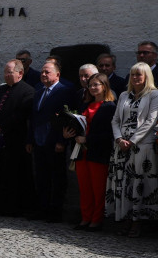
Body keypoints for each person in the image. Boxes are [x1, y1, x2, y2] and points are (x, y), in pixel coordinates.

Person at [106, 63, 158, 237]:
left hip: (141, 146)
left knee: (138, 184)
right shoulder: (123, 95)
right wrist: (119, 138)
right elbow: (115, 120)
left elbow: (151, 121)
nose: (135, 78)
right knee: (124, 184)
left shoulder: (154, 95)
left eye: (139, 75)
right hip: (121, 146)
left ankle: (137, 222)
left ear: (146, 77)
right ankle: (125, 219)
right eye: (133, 74)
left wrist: (132, 141)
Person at [64, 73, 115, 231]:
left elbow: (109, 134)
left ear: (104, 86)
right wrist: (68, 134)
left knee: (97, 188)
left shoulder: (109, 107)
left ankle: (96, 220)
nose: (92, 88)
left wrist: (88, 140)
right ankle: (85, 218)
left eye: (96, 85)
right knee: (85, 188)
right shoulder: (86, 105)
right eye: (91, 85)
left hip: (97, 153)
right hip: (81, 153)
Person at [28, 59, 76, 221]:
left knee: (57, 178)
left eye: (47, 72)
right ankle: (42, 208)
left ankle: (55, 211)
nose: (43, 74)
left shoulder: (65, 91)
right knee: (41, 177)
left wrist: (62, 141)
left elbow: (66, 119)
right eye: (42, 71)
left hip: (55, 142)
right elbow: (34, 117)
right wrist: (30, 139)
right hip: (39, 140)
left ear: (57, 74)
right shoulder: (39, 90)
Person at [0, 60, 35, 216]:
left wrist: (2, 127)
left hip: (14, 139)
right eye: (5, 72)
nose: (6, 75)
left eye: (10, 72)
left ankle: (10, 207)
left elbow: (20, 115)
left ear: (20, 73)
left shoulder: (28, 91)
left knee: (11, 174)